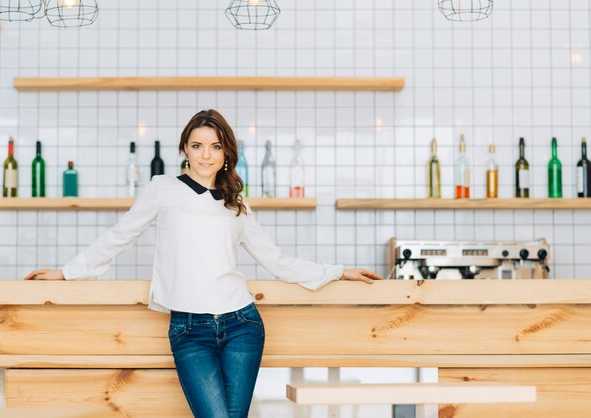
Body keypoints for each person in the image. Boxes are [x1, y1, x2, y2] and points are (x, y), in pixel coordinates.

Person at [24, 109, 383, 418]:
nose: (205, 155)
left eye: (214, 146)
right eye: (197, 146)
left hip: (242, 325)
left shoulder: (235, 203)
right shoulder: (162, 189)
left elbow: (276, 260)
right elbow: (120, 235)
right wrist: (66, 273)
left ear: (226, 152)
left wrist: (338, 271)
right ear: (185, 150)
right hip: (188, 331)